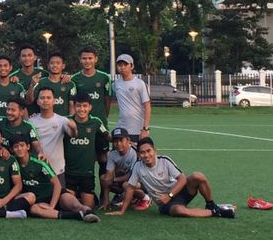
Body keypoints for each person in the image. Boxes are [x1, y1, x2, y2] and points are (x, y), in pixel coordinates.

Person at [107, 138, 235, 218]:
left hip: (177, 192)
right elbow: (130, 189)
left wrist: (169, 195)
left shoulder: (165, 160)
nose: (146, 155)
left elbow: (183, 179)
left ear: (154, 150)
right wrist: (122, 211)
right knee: (180, 210)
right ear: (139, 155)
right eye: (142, 152)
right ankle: (217, 212)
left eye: (148, 151)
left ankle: (211, 205)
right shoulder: (138, 167)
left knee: (198, 176)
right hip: (165, 205)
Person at [9, 134, 99, 223]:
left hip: (56, 195)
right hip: (37, 201)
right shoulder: (13, 164)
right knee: (34, 210)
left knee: (75, 205)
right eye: (16, 147)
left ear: (28, 147)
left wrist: (52, 206)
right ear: (12, 150)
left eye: (22, 145)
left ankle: (89, 213)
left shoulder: (39, 162)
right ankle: (76, 216)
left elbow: (57, 184)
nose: (19, 149)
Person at [71, 45, 112, 184]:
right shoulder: (75, 79)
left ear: (96, 59)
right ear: (80, 60)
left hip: (99, 125)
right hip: (81, 125)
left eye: (90, 58)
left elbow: (107, 101)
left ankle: (103, 193)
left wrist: (102, 118)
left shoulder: (104, 77)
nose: (87, 61)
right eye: (84, 58)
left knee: (103, 158)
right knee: (82, 157)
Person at [63, 93, 110, 207]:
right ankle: (77, 195)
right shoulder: (66, 122)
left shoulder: (96, 122)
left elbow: (108, 136)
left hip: (87, 174)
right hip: (69, 173)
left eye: (85, 106)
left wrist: (124, 140)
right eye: (78, 106)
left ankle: (88, 197)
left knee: (89, 206)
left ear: (90, 107)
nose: (82, 109)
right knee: (69, 206)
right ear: (74, 107)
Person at [28, 86, 77, 186]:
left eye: (48, 98)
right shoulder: (31, 122)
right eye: (42, 98)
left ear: (54, 101)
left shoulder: (62, 120)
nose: (45, 100)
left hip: (57, 169)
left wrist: (74, 128)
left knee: (60, 199)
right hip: (37, 169)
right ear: (37, 102)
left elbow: (73, 135)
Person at [100, 127, 149, 210]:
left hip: (144, 181)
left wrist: (114, 179)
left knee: (126, 185)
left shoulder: (134, 152)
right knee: (103, 178)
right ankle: (131, 198)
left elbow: (131, 175)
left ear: (128, 140)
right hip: (127, 180)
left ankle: (145, 198)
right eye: (115, 141)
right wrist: (106, 199)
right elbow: (108, 176)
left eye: (121, 140)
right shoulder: (112, 154)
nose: (118, 143)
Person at [113, 54, 151, 142]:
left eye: (125, 65)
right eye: (120, 65)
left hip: (137, 129)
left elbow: (147, 106)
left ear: (132, 66)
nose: (122, 67)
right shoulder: (116, 84)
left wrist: (145, 128)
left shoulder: (139, 83)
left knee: (137, 154)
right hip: (121, 127)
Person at [28, 52, 76, 117]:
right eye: (52, 63)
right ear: (48, 66)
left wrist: (70, 120)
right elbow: (30, 101)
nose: (55, 65)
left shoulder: (70, 84)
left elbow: (72, 105)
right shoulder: (40, 83)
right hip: (45, 122)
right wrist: (31, 85)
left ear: (63, 66)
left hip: (64, 122)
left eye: (58, 63)